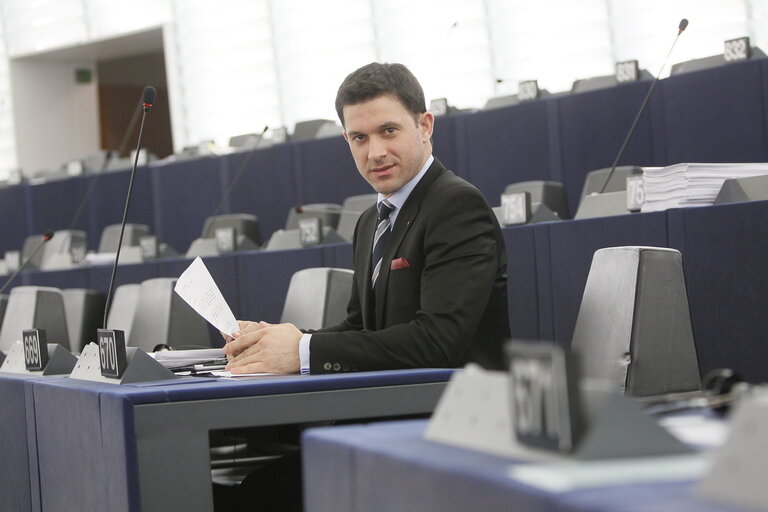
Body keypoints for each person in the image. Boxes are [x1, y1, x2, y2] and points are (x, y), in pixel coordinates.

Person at [223, 62, 510, 374]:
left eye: (388, 131)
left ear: (425, 126)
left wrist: (302, 350)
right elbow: (362, 330)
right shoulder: (369, 222)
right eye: (360, 138)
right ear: (347, 140)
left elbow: (437, 342)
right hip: (387, 402)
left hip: (453, 411)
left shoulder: (457, 206)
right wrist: (274, 343)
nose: (375, 152)